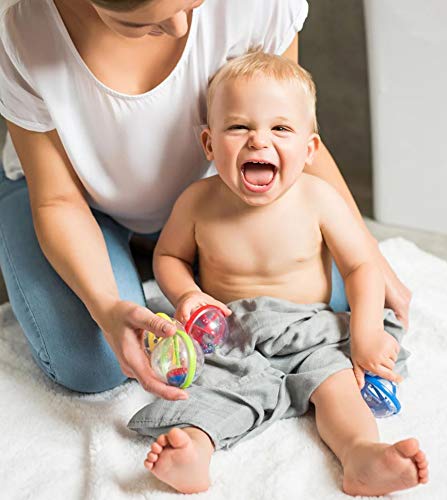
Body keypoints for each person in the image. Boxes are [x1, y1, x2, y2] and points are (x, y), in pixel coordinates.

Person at [0, 0, 411, 401]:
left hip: (219, 190)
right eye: (143, 22)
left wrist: (366, 250)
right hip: (74, 201)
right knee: (97, 362)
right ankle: (132, 255)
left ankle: (159, 251)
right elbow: (58, 200)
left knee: (328, 301)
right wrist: (107, 307)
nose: (180, 28)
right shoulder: (21, 28)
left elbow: (289, 131)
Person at [127, 51, 428, 496]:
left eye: (281, 129)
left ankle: (361, 455)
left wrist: (365, 332)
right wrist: (188, 294)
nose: (258, 142)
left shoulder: (319, 198)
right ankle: (193, 453)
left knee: (338, 382)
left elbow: (361, 265)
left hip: (308, 330)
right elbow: (168, 258)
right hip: (228, 334)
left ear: (309, 150)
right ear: (209, 143)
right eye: (238, 127)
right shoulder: (196, 202)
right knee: (214, 388)